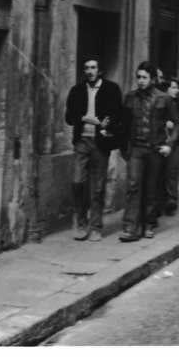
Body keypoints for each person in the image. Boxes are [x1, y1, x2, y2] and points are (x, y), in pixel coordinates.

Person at [119, 62, 179, 242]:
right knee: (133, 185)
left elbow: (177, 123)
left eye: (144, 77)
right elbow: (124, 124)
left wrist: (170, 144)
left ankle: (149, 223)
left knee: (152, 188)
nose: (141, 81)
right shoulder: (130, 97)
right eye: (138, 77)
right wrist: (124, 148)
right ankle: (131, 227)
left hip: (155, 148)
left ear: (153, 79)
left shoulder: (164, 98)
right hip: (136, 148)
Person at [63, 58, 123, 241]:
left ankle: (96, 226)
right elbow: (69, 118)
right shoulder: (77, 90)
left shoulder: (111, 89)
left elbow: (117, 114)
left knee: (97, 186)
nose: (90, 71)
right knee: (77, 181)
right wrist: (87, 119)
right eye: (87, 68)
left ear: (100, 70)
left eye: (93, 68)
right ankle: (81, 222)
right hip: (82, 141)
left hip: (100, 143)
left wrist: (107, 124)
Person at [160, 78, 179, 217]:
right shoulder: (161, 102)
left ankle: (171, 200)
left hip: (176, 141)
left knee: (173, 170)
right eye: (173, 87)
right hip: (162, 139)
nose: (176, 90)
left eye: (177, 87)